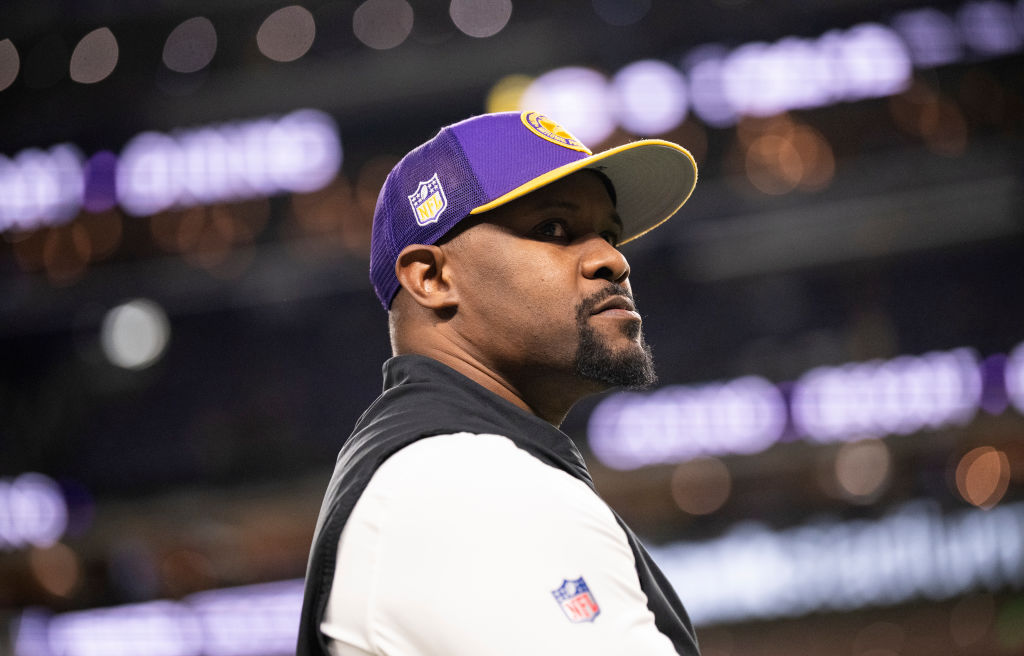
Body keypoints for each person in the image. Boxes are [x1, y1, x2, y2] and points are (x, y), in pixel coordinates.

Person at [297, 110, 700, 655]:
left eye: (608, 234)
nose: (613, 260)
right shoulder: (462, 483)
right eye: (553, 229)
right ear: (432, 278)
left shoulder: (444, 467)